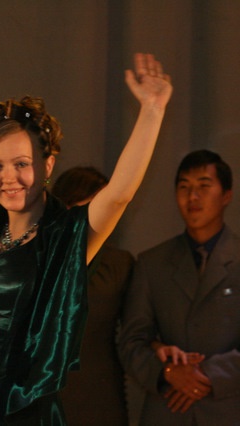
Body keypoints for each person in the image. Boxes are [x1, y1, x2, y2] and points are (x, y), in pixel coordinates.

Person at [0, 53, 173, 425]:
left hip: (20, 407)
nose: (8, 178)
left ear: (48, 165)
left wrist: (152, 110)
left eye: (22, 164)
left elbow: (119, 194)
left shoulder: (65, 236)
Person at [118, 149, 240, 425]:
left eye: (204, 186)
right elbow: (131, 342)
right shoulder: (151, 263)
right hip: (168, 410)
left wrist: (205, 375)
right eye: (184, 187)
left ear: (226, 196)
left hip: (229, 409)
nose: (192, 197)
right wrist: (169, 373)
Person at [52, 166, 133, 426]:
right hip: (43, 394)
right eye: (87, 207)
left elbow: (137, 331)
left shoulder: (120, 264)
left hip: (99, 396)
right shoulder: (36, 260)